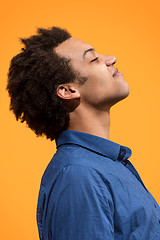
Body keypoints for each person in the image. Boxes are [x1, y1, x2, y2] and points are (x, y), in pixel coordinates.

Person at [7, 26, 160, 240]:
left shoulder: (101, 166)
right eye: (93, 59)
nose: (112, 59)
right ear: (68, 90)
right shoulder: (78, 176)